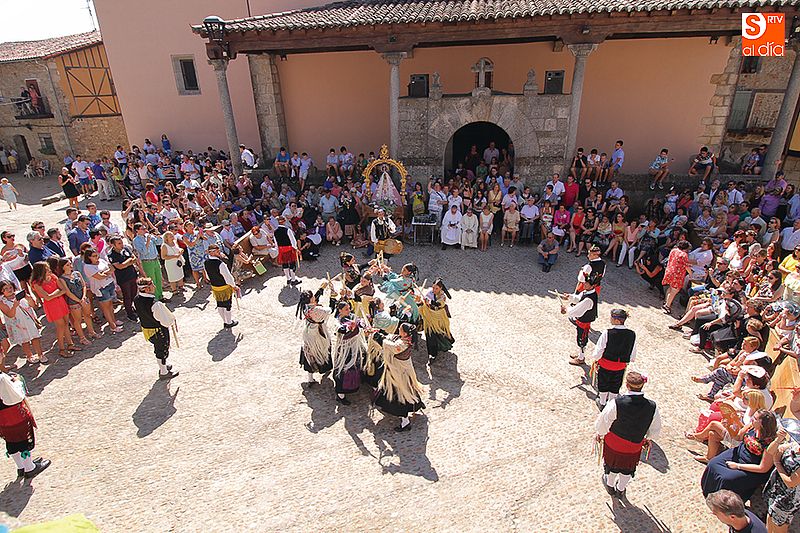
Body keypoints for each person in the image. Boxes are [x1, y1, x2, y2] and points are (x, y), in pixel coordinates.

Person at [595, 371, 662, 498]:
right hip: (634, 445)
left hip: (614, 442)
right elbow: (655, 427)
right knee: (627, 468)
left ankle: (610, 486)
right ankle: (621, 489)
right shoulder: (652, 406)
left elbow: (604, 420)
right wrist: (649, 439)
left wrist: (600, 433)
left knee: (612, 465)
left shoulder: (616, 403)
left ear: (627, 385)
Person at [701, 409, 778, 501]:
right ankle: (709, 491)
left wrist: (738, 466)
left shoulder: (770, 442)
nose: (752, 419)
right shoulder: (751, 426)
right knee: (713, 464)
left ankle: (723, 501)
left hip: (751, 466)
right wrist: (728, 427)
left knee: (726, 478)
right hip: (739, 453)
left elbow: (763, 468)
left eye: (755, 418)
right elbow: (738, 437)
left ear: (762, 423)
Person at [372, 323, 425, 431]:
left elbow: (387, 344)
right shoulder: (406, 340)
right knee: (409, 390)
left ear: (405, 333)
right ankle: (416, 405)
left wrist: (375, 336)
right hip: (404, 372)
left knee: (399, 395)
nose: (398, 330)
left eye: (400, 329)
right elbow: (391, 337)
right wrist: (381, 332)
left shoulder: (401, 345)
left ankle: (405, 422)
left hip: (398, 374)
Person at [0, 371, 51, 479]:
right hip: (14, 415)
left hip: (2, 419)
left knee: (11, 441)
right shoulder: (1, 379)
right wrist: (18, 382)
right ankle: (29, 468)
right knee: (23, 440)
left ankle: (21, 467)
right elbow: (16, 397)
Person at [590, 309, 636, 409]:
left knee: (603, 382)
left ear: (617, 320)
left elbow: (600, 348)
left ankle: (602, 402)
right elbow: (632, 350)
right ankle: (611, 403)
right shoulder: (632, 334)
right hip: (620, 366)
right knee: (615, 384)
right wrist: (630, 359)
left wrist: (596, 358)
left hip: (606, 364)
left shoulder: (607, 332)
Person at [134, 277, 179, 380]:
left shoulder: (136, 299)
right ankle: (163, 372)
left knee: (158, 348)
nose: (154, 287)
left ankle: (163, 367)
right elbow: (165, 320)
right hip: (158, 331)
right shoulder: (155, 304)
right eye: (152, 285)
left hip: (148, 330)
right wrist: (170, 321)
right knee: (162, 349)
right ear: (146, 289)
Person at [30, 261, 76, 359]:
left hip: (61, 302)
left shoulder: (53, 277)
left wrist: (53, 294)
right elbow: (47, 297)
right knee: (60, 326)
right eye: (46, 270)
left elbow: (63, 289)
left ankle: (70, 343)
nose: (49, 271)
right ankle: (62, 348)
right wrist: (57, 293)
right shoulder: (36, 283)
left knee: (66, 323)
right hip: (52, 306)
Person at [763, 426, 800, 532]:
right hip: (777, 489)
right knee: (770, 518)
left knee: (780, 526)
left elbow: (791, 482)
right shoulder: (794, 445)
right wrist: (778, 440)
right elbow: (771, 451)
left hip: (788, 498)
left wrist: (777, 463)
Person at [0, 281, 45, 364]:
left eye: (10, 287)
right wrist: (14, 306)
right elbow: (10, 315)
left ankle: (40, 354)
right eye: (6, 288)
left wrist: (29, 298)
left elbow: (32, 305)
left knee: (35, 337)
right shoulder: (2, 302)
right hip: (17, 324)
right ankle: (29, 356)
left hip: (28, 320)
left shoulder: (19, 294)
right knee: (25, 341)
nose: (9, 290)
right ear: (2, 291)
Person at [562, 271, 602, 364]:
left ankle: (581, 358)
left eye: (587, 284)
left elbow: (578, 310)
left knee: (582, 339)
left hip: (584, 320)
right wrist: (570, 297)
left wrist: (566, 310)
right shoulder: (587, 292)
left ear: (592, 286)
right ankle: (580, 354)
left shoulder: (589, 299)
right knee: (580, 338)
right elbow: (578, 299)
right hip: (583, 320)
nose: (584, 285)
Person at [296, 286, 334, 385]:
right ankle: (324, 368)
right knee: (323, 349)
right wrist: (333, 297)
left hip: (308, 333)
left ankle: (310, 378)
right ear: (310, 299)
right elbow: (330, 310)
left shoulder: (305, 306)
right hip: (318, 334)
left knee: (309, 353)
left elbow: (314, 299)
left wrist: (321, 289)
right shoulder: (316, 310)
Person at [332, 300, 367, 405]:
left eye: (349, 308)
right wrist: (348, 327)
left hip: (355, 348)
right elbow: (341, 330)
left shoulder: (352, 316)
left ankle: (356, 383)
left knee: (357, 365)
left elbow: (361, 322)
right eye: (346, 309)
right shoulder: (337, 321)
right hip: (344, 350)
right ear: (340, 310)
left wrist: (360, 323)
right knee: (344, 370)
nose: (349, 311)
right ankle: (340, 394)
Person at [83, 248, 123, 334]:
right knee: (106, 307)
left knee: (110, 305)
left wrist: (105, 273)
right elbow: (99, 277)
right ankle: (112, 326)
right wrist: (106, 272)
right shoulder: (88, 267)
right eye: (94, 256)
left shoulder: (101, 261)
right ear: (89, 257)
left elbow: (112, 268)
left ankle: (114, 321)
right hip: (101, 288)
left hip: (109, 284)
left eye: (97, 255)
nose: (96, 257)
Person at [416, 278, 455, 363]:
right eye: (433, 287)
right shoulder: (430, 293)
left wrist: (429, 302)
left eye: (436, 288)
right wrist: (420, 301)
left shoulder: (442, 296)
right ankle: (432, 355)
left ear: (441, 288)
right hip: (429, 319)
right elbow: (423, 304)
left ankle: (444, 345)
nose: (434, 290)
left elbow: (438, 305)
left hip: (439, 319)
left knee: (441, 333)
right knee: (430, 336)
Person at [204, 244, 239, 329]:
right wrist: (234, 286)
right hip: (224, 287)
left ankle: (225, 321)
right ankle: (229, 322)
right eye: (216, 251)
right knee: (227, 305)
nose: (218, 253)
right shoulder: (221, 264)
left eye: (218, 251)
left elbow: (208, 276)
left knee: (220, 304)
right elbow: (227, 277)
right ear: (211, 253)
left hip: (215, 287)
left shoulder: (205, 262)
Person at [107, 236, 139, 320]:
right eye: (119, 243)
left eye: (121, 242)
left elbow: (134, 258)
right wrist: (129, 261)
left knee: (134, 293)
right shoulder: (111, 254)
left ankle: (133, 307)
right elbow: (120, 266)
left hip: (132, 274)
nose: (121, 245)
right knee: (127, 295)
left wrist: (127, 263)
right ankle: (129, 313)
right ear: (113, 245)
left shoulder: (125, 249)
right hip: (124, 278)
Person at [132, 222, 164, 300]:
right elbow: (144, 252)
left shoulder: (148, 236)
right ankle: (155, 298)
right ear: (137, 230)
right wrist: (148, 242)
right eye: (142, 229)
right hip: (147, 261)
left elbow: (159, 242)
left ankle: (160, 295)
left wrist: (157, 234)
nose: (145, 230)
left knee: (158, 278)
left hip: (155, 260)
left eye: (145, 228)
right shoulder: (136, 240)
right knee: (152, 280)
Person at [275, 215, 301, 286]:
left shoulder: (275, 231)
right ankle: (293, 279)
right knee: (292, 264)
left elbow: (276, 243)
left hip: (281, 249)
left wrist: (278, 250)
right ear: (284, 221)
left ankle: (288, 278)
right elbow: (293, 241)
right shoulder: (288, 230)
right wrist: (296, 248)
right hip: (289, 249)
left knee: (285, 264)